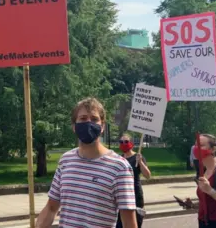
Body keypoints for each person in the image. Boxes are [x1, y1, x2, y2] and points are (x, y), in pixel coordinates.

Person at [35, 97, 138, 228]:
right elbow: (51, 208)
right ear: (74, 127)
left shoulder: (119, 167)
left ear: (102, 127)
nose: (89, 123)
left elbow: (129, 223)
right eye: (83, 119)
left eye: (94, 119)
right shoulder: (65, 160)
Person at [116, 134, 151, 228]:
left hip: (135, 195)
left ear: (131, 143)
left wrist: (140, 162)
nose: (123, 144)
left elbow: (147, 175)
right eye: (121, 142)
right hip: (122, 196)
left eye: (126, 142)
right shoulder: (119, 159)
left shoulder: (138, 157)